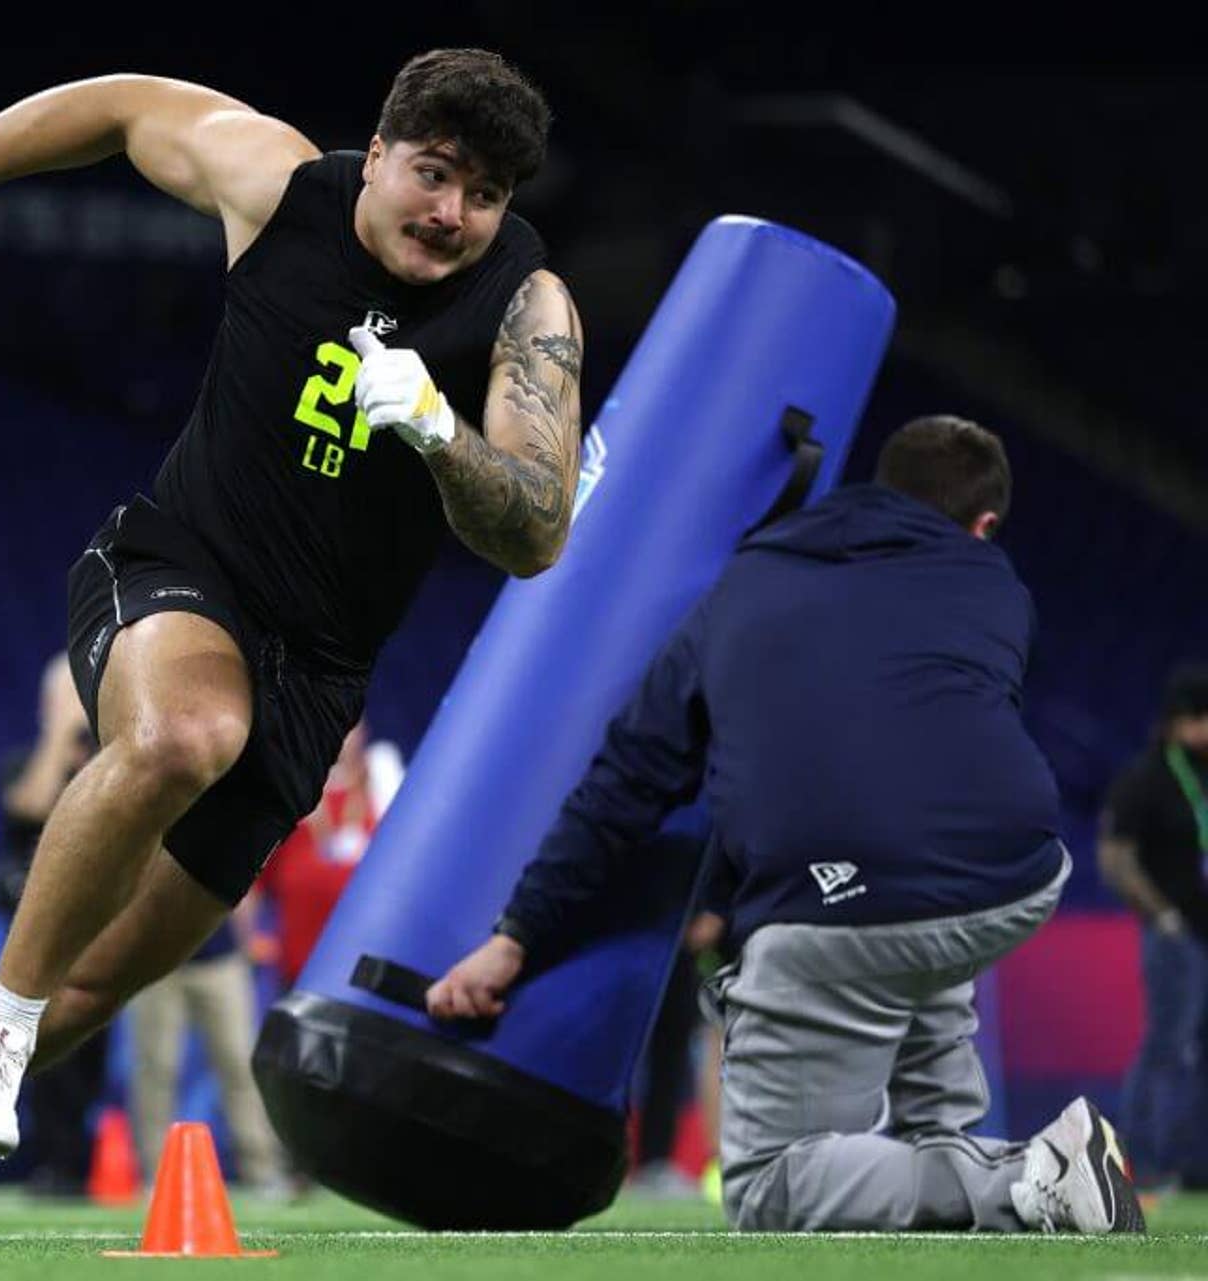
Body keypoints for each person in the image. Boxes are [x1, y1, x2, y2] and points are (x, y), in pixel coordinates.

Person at [0, 49, 583, 1240]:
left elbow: (537, 534)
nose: (453, 213)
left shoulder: (525, 304)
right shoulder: (276, 184)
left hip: (318, 672)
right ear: (379, 151)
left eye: (486, 194)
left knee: (98, 982)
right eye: (435, 173)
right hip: (181, 567)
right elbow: (118, 106)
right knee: (187, 735)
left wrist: (437, 430)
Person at [428, 417, 1144, 1234]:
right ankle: (959, 1149)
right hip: (1016, 875)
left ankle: (1031, 1172)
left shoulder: (748, 580)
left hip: (840, 903)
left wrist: (518, 932)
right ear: (983, 524)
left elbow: (629, 778)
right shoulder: (996, 586)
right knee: (917, 883)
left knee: (771, 1185)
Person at [0, 654, 107, 1195]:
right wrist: (60, 735)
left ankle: (79, 1161)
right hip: (38, 936)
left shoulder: (110, 759)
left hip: (97, 933)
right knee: (38, 1045)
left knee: (89, 1051)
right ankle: (46, 1159)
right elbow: (31, 805)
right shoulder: (25, 762)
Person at [1101, 663, 1208, 1190]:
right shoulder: (1145, 780)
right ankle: (1140, 1164)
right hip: (1175, 937)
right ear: (1179, 720)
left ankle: (1197, 1168)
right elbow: (1115, 857)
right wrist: (1160, 915)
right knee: (1168, 1048)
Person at [126, 917, 283, 1195]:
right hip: (157, 963)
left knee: (240, 1066)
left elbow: (245, 895)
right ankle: (156, 1177)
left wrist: (246, 938)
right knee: (156, 1070)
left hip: (220, 958)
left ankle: (264, 1171)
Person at [247, 721, 382, 991]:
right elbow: (255, 881)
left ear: (362, 734)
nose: (341, 735)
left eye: (350, 728)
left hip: (361, 966)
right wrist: (248, 938)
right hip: (297, 967)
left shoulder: (383, 787)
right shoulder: (290, 792)